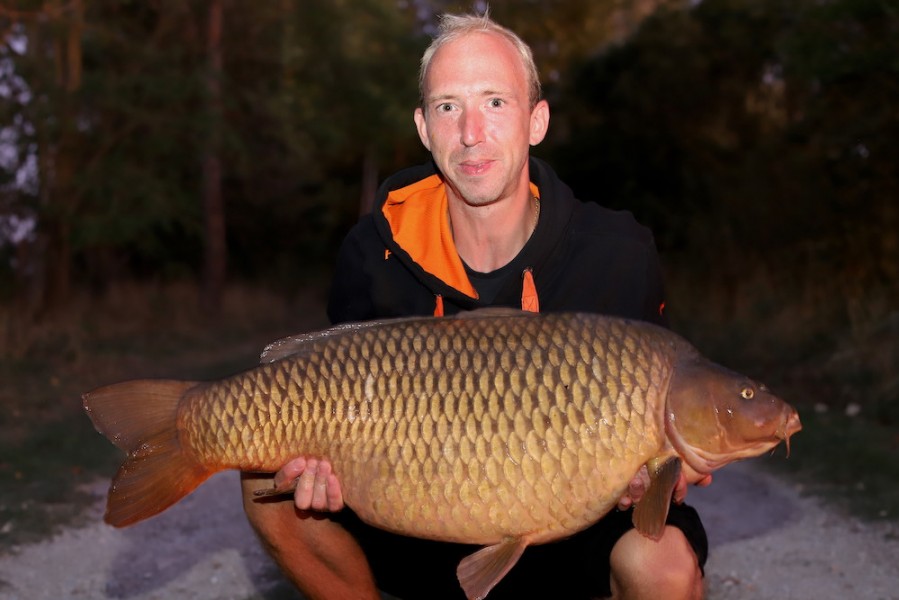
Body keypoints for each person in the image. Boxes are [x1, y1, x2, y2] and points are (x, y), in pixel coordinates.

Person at [241, 11, 709, 600]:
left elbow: (666, 416)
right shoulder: (372, 250)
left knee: (661, 563)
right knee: (263, 478)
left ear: (536, 120)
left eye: (494, 102)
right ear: (423, 128)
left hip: (578, 525)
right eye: (446, 107)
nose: (470, 132)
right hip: (418, 515)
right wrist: (320, 468)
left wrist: (654, 473)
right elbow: (337, 400)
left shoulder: (615, 254)